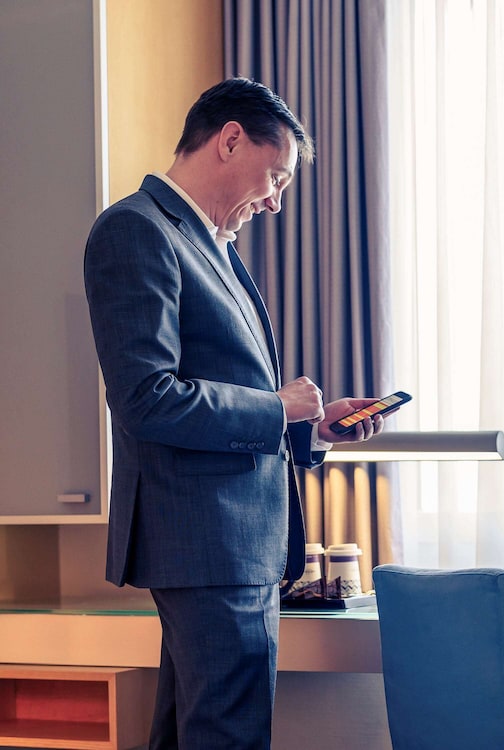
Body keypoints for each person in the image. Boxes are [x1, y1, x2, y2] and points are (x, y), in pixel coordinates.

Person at [84, 77, 383, 749]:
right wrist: (276, 408)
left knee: (192, 732)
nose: (275, 201)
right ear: (229, 141)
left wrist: (309, 428)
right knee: (229, 734)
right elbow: (145, 398)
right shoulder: (136, 231)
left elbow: (226, 404)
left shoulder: (209, 243)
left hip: (228, 543)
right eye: (276, 177)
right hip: (209, 541)